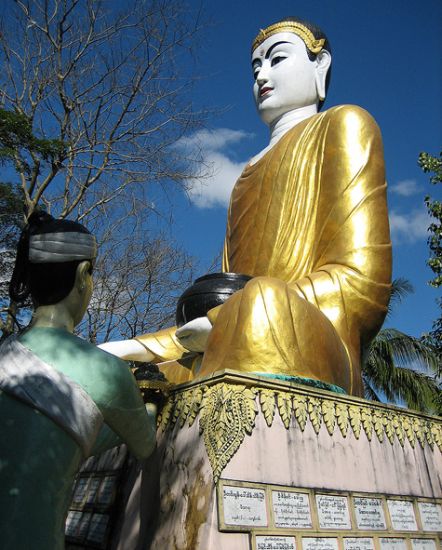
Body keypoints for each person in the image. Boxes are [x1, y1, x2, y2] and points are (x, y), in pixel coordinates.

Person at [100, 17, 392, 397]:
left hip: (308, 339)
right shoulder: (245, 176)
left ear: (319, 66)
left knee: (262, 301)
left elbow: (362, 284)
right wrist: (140, 348)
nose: (262, 76)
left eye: (277, 59)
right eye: (256, 67)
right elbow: (224, 292)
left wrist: (232, 317)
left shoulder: (345, 124)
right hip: (234, 333)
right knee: (126, 371)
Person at [0, 211, 157, 550]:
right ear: (84, 274)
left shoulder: (4, 352)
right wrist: (150, 407)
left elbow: (70, 432)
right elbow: (146, 445)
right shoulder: (105, 371)